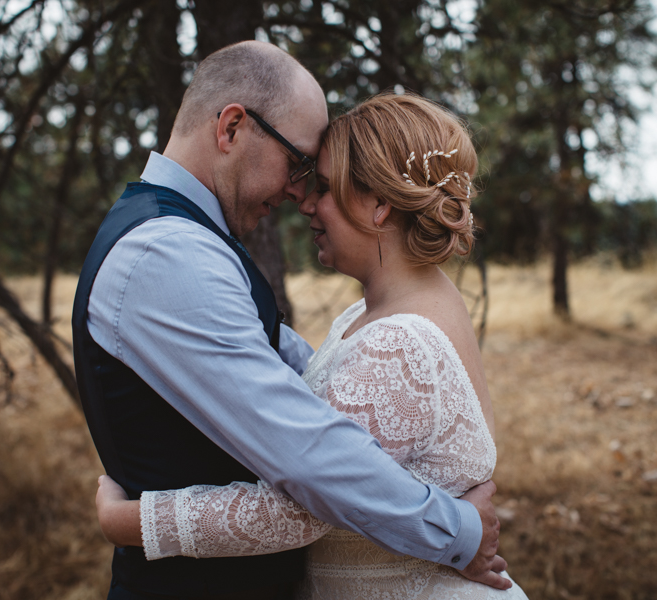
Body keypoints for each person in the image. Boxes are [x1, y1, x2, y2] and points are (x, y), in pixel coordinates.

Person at [71, 41, 509, 600]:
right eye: (299, 163)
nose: (300, 194)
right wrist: (458, 529)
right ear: (231, 129)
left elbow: (306, 429)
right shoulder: (167, 253)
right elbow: (308, 454)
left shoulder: (186, 245)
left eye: (317, 180)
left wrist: (125, 519)